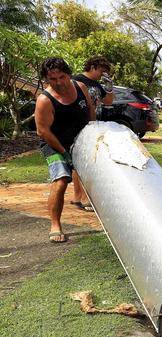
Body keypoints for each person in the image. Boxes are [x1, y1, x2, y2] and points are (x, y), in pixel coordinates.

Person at [35, 57, 95, 243]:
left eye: (62, 77)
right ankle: (55, 224)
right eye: (53, 79)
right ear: (46, 80)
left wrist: (94, 134)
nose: (59, 82)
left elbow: (91, 111)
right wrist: (64, 153)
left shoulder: (80, 87)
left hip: (80, 140)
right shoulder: (45, 100)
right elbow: (43, 131)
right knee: (61, 181)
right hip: (54, 143)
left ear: (68, 74)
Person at [70, 56, 114, 212]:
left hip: (93, 126)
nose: (102, 75)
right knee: (81, 161)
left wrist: (109, 87)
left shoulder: (96, 84)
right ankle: (82, 197)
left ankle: (79, 197)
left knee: (86, 160)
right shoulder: (75, 80)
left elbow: (108, 101)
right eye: (101, 71)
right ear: (93, 66)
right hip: (79, 125)